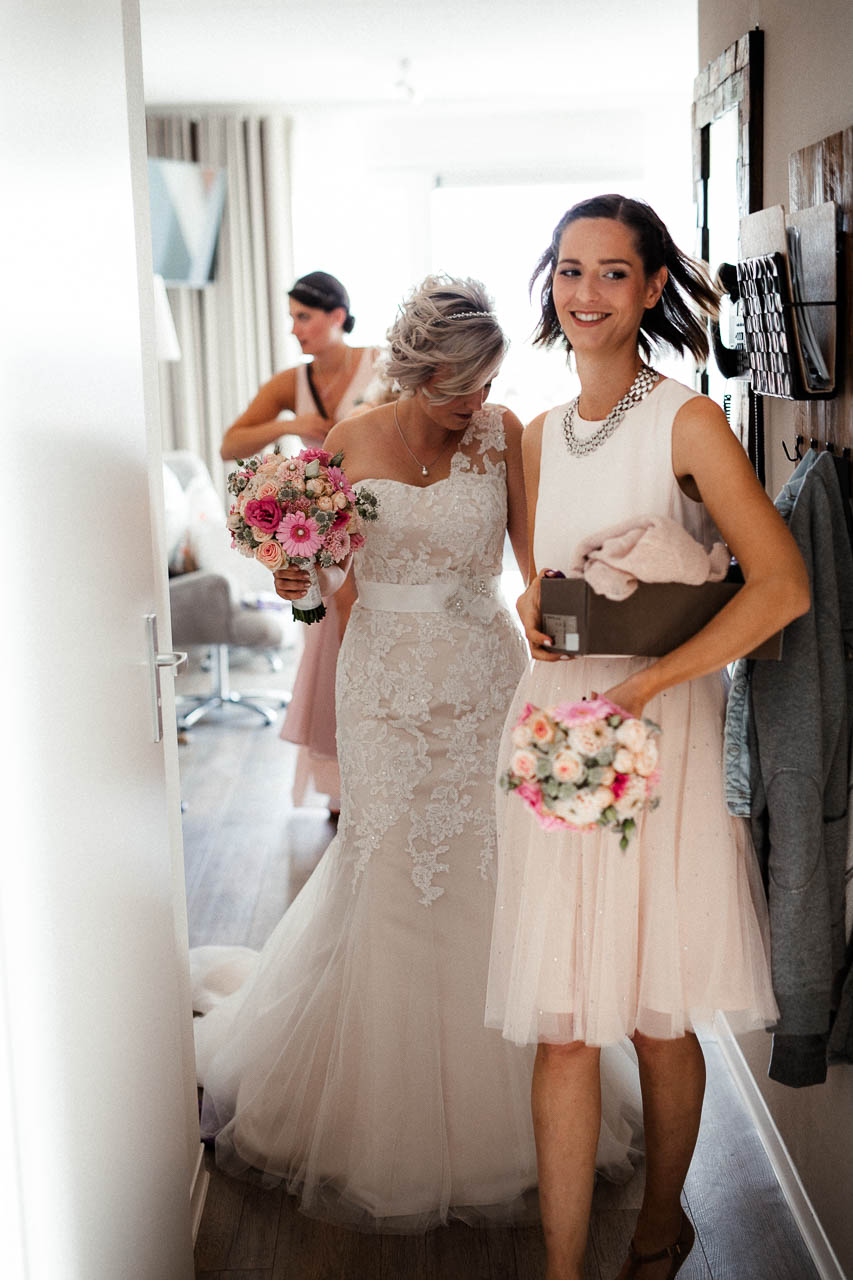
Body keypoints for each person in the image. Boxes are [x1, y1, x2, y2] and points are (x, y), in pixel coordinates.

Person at [191, 275, 644, 1233]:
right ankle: (376, 1121)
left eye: (484, 384)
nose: (471, 404)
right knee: (390, 867)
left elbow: (530, 565)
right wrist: (291, 569)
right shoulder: (347, 442)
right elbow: (319, 582)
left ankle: (514, 1119)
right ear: (415, 368)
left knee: (490, 869)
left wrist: (575, 641)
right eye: (455, 387)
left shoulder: (501, 431)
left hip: (485, 672)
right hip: (385, 681)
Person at [484, 195, 811, 1280]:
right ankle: (564, 1270)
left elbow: (781, 587)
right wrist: (529, 609)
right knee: (565, 1018)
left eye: (612, 273)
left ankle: (660, 1221)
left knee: (658, 1015)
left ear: (653, 287)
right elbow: (545, 582)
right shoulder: (532, 438)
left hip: (656, 727)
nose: (585, 294)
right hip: (555, 726)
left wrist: (649, 687)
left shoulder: (687, 420)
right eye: (568, 271)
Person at [221, 271, 378, 814]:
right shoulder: (294, 380)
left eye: (303, 317)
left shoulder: (379, 364)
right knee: (330, 650)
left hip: (379, 522)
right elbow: (230, 444)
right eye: (291, 318)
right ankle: (340, 789)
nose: (295, 329)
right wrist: (291, 421)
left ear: (337, 316)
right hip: (326, 533)